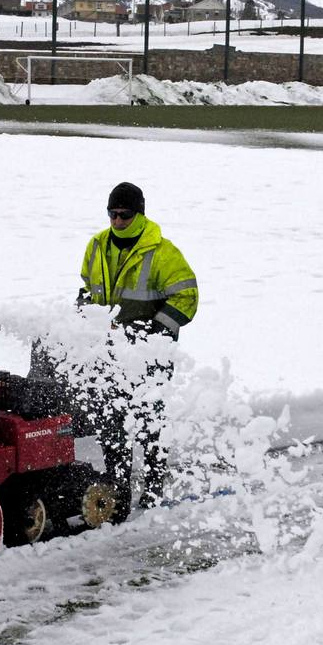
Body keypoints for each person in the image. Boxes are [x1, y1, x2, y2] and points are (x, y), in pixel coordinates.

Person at [75, 182, 198, 506]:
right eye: (112, 215)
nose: (117, 222)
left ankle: (154, 490)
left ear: (139, 214)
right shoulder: (97, 246)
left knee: (148, 422)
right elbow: (87, 288)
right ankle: (119, 488)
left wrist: (155, 333)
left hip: (149, 355)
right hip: (109, 352)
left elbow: (187, 296)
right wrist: (83, 312)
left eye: (124, 216)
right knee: (110, 421)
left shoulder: (161, 251)